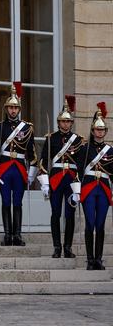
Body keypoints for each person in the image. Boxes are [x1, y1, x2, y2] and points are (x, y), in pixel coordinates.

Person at [0, 82, 37, 247]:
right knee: (5, 202)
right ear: (6, 109)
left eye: (15, 108)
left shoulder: (28, 128)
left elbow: (32, 153)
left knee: (17, 202)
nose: (13, 111)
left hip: (20, 169)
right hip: (5, 169)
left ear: (19, 110)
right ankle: (8, 235)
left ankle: (17, 235)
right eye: (10, 108)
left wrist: (31, 175)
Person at [37, 95, 83, 258]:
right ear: (58, 122)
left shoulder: (78, 140)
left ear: (71, 123)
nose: (66, 124)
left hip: (71, 180)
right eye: (63, 121)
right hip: (56, 178)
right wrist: (44, 182)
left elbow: (82, 164)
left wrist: (79, 185)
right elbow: (43, 161)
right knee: (55, 213)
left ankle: (68, 247)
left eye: (68, 121)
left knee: (69, 215)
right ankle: (57, 247)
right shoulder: (51, 138)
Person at [76, 103, 112, 270]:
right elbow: (77, 170)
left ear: (105, 132)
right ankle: (90, 259)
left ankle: (98, 259)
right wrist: (76, 191)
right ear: (92, 131)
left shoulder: (110, 151)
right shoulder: (85, 148)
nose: (100, 132)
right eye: (97, 130)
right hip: (89, 188)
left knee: (100, 225)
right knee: (90, 223)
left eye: (102, 130)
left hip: (104, 189)